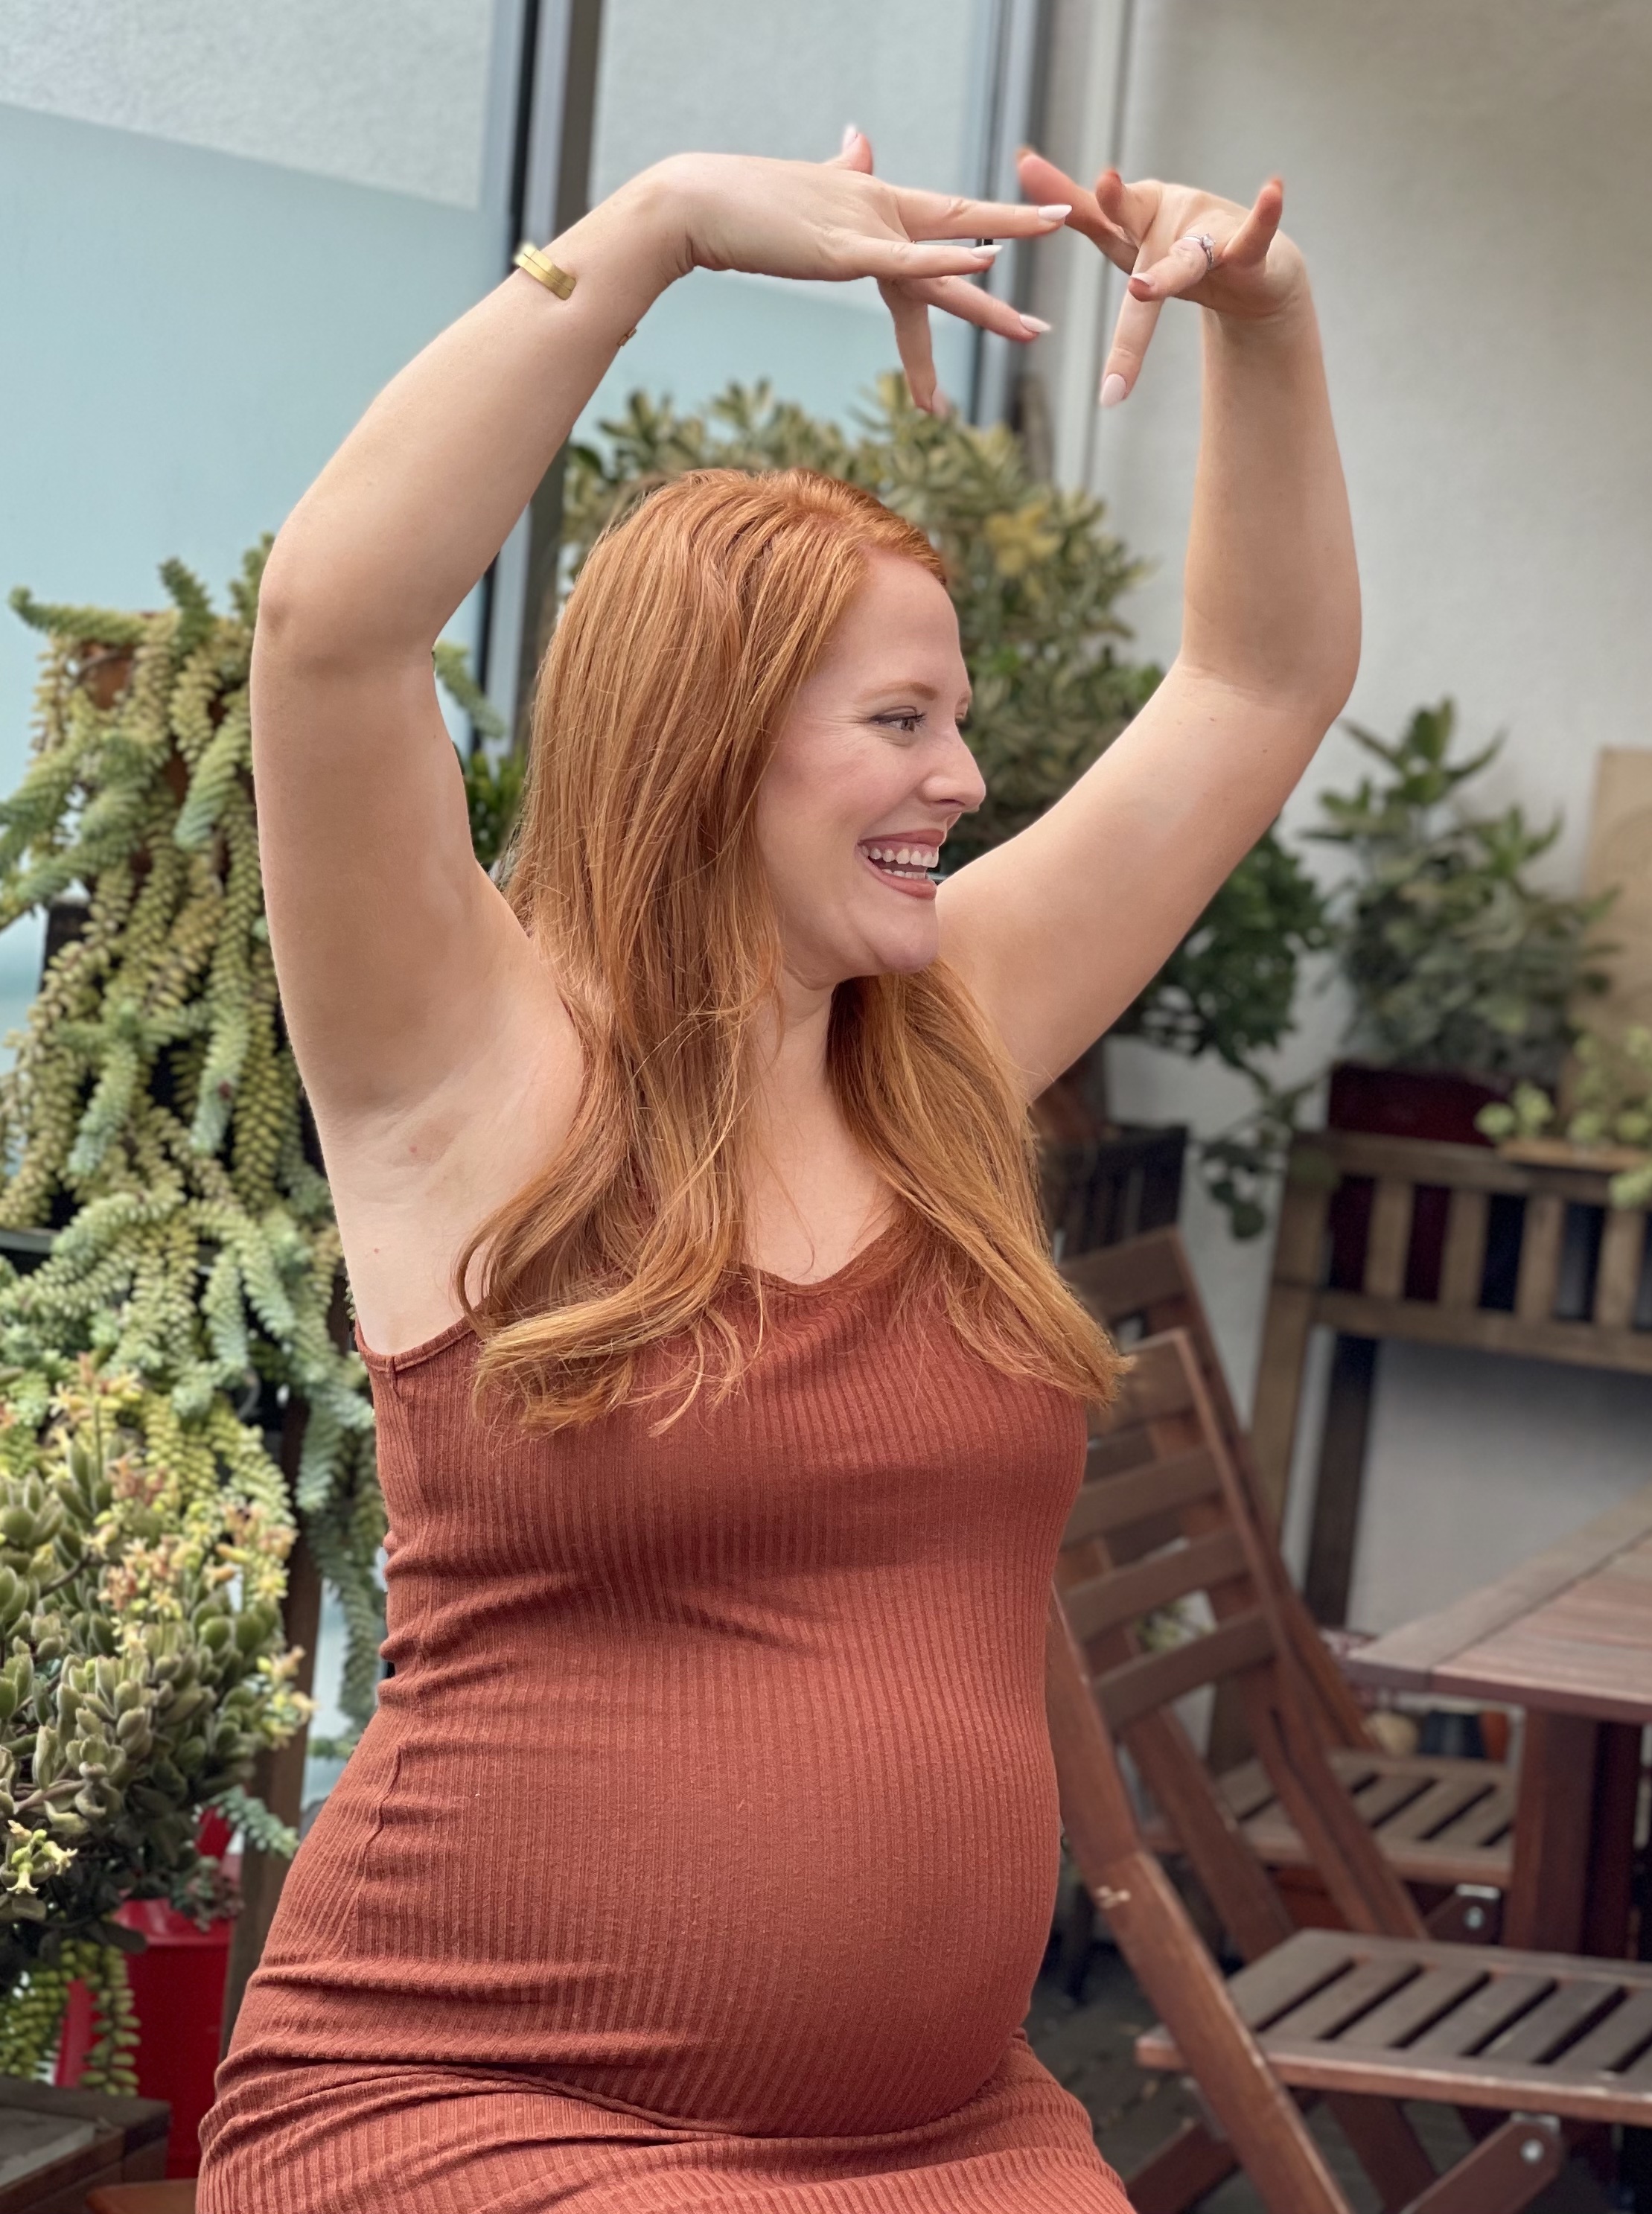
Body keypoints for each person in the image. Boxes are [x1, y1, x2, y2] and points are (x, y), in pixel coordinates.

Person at [198, 131, 1353, 2213]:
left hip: (941, 2138)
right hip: (480, 2113)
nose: (963, 781)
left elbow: (1257, 685)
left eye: (959, 722)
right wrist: (648, 233)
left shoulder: (941, 1036)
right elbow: (328, 628)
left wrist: (1262, 330)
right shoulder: (465, 1061)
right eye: (900, 722)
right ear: (716, 740)